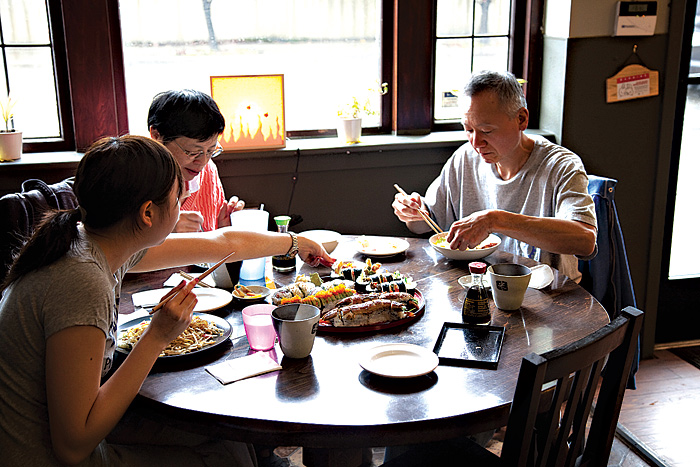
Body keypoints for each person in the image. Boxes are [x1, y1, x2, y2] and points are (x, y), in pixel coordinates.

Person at [0, 135, 332, 466]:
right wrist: (157, 336)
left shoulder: (95, 238)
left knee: (229, 441)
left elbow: (222, 242)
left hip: (67, 433)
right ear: (147, 213)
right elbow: (73, 447)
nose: (182, 209)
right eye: (178, 200)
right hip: (44, 455)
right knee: (226, 457)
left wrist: (293, 242)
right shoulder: (81, 281)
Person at [392, 70, 597, 281]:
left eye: (486, 131)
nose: (476, 142)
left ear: (521, 119)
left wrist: (495, 220)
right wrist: (414, 212)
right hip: (478, 286)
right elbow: (425, 224)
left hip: (550, 299)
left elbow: (585, 240)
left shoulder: (561, 166)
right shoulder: (465, 158)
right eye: (468, 129)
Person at [148, 89, 245, 233]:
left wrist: (224, 229)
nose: (202, 161)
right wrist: (165, 230)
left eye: (211, 151)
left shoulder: (208, 170)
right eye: (193, 152)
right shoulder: (137, 178)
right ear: (156, 136)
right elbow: (119, 250)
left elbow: (212, 243)